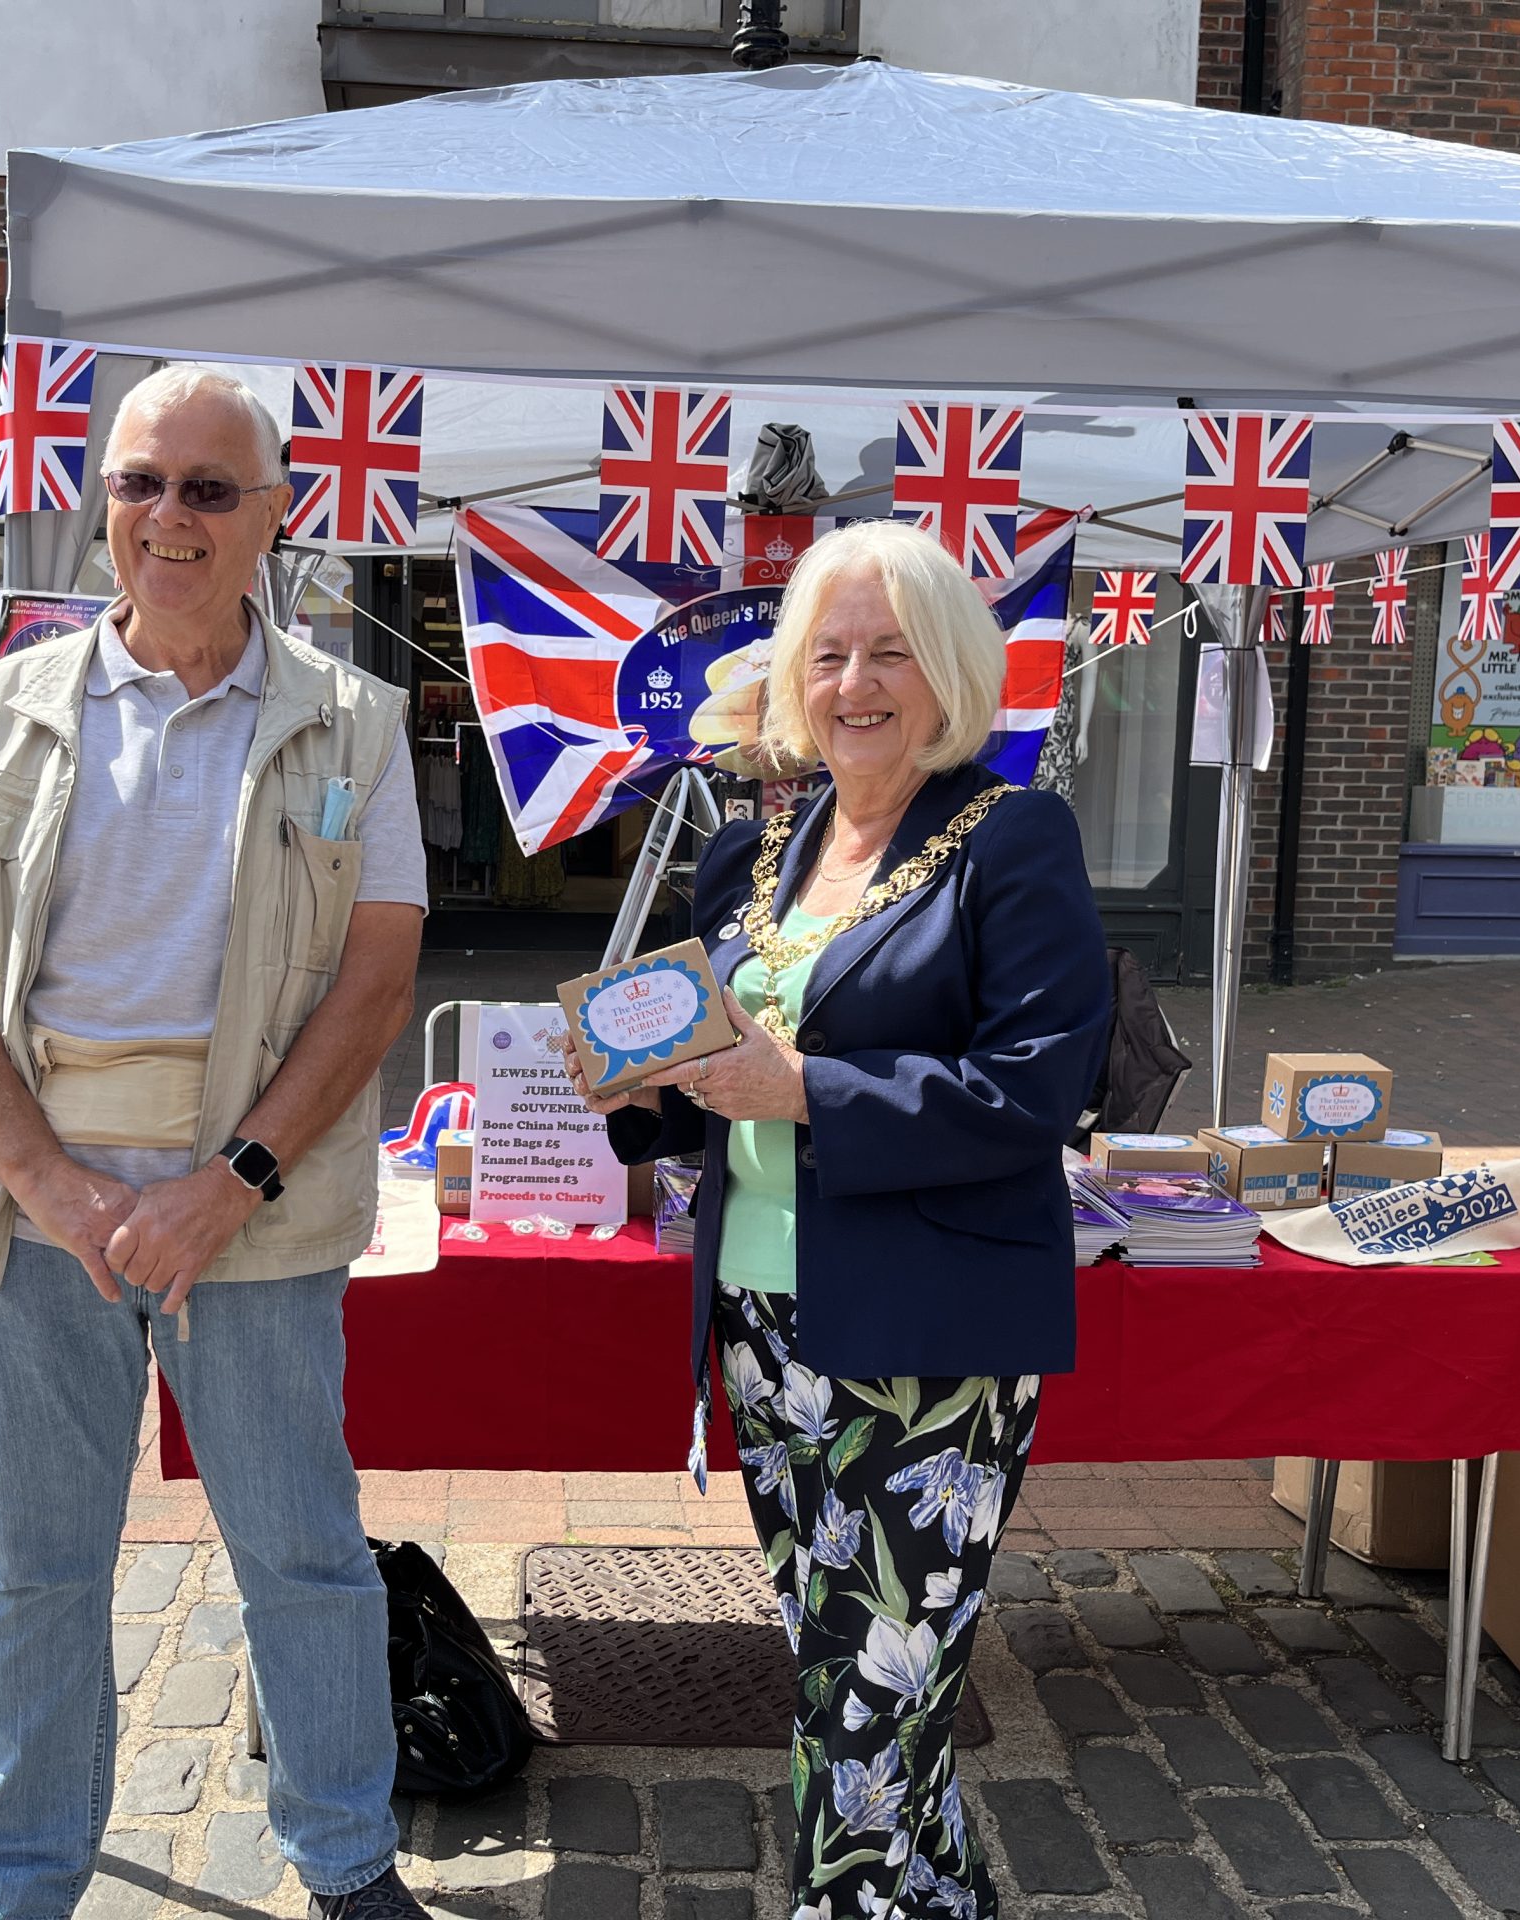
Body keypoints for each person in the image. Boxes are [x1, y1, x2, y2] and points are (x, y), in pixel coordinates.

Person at [0, 366, 431, 1920]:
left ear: (273, 516)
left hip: (251, 1206)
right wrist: (53, 1190)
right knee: (28, 1570)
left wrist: (226, 1185)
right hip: (25, 1216)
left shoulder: (355, 725)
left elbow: (373, 980)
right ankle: (23, 1879)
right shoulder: (3, 711)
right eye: (138, 483)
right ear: (101, 504)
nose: (166, 517)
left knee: (303, 1555)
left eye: (207, 489)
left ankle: (344, 1857)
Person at [563, 520, 1110, 1920]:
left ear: (950, 675)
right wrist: (626, 1099)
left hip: (927, 1337)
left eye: (891, 651)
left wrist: (801, 1084)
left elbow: (1036, 1088)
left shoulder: (1013, 838)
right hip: (757, 1322)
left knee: (880, 1692)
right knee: (844, 1669)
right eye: (830, 652)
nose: (857, 680)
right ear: (794, 679)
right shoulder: (752, 853)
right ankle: (941, 1900)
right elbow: (713, 1103)